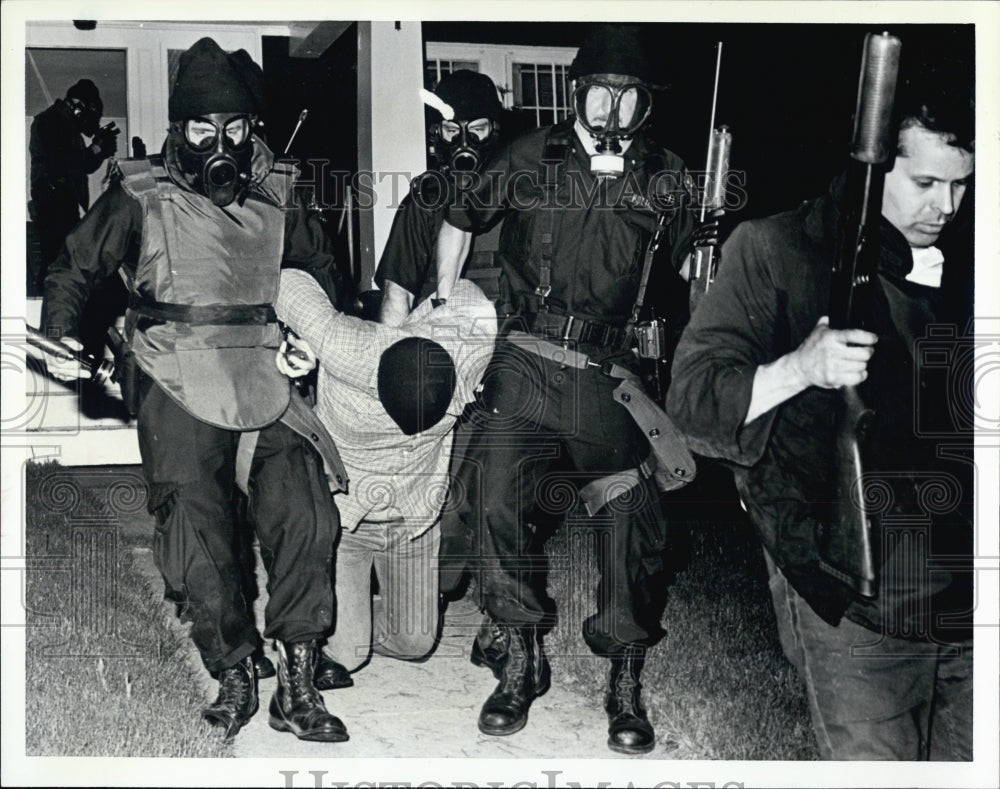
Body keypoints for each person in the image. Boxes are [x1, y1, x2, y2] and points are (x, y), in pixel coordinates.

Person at [40, 37, 350, 743]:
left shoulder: (282, 189)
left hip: (266, 369)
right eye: (203, 128)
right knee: (193, 524)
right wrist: (63, 337)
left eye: (234, 127)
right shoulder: (140, 192)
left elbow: (318, 274)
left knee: (307, 510)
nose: (221, 142)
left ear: (251, 127)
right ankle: (235, 670)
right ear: (180, 129)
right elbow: (73, 268)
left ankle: (297, 677)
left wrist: (310, 336)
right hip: (173, 369)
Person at [666, 69, 975, 760]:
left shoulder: (972, 259)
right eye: (925, 183)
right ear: (873, 166)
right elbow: (692, 400)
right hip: (850, 590)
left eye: (962, 184)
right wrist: (800, 368)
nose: (946, 206)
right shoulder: (777, 249)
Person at [430, 24, 699, 754]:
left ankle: (624, 676)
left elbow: (690, 276)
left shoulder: (667, 176)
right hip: (527, 358)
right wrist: (445, 301)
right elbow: (460, 215)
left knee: (631, 517)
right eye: (601, 94)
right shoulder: (526, 156)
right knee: (495, 495)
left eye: (628, 97)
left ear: (645, 104)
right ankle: (520, 656)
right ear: (577, 94)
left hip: (611, 373)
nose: (612, 109)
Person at [274, 272, 496, 677]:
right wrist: (289, 341)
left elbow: (465, 291)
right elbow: (286, 281)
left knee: (414, 643)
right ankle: (329, 621)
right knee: (347, 656)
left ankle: (362, 611)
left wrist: (421, 317)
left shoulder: (468, 347)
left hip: (412, 518)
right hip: (347, 520)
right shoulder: (344, 346)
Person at [375, 69, 504, 326]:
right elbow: (397, 295)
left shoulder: (519, 194)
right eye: (451, 130)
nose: (464, 141)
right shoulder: (426, 201)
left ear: (494, 130)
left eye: (478, 129)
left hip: (509, 335)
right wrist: (393, 348)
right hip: (441, 333)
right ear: (438, 133)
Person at [29, 78, 124, 356]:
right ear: (78, 107)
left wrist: (97, 149)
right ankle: (55, 340)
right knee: (61, 272)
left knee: (69, 269)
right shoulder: (50, 120)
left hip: (61, 207)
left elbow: (79, 166)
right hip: (53, 208)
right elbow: (64, 163)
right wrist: (95, 148)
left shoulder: (63, 125)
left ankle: (62, 337)